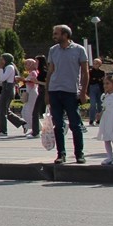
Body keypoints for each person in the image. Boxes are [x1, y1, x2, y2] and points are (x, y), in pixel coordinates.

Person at [47, 25, 90, 164]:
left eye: (56, 33)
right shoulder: (53, 50)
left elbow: (85, 72)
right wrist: (47, 92)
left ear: (65, 35)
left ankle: (79, 154)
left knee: (75, 124)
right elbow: (50, 71)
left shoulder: (79, 50)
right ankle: (61, 154)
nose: (54, 36)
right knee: (57, 124)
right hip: (55, 90)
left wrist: (83, 92)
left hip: (71, 91)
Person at [0, 53, 21, 135]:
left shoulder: (9, 67)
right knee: (5, 110)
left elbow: (2, 78)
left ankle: (3, 130)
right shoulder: (6, 67)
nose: (1, 61)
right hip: (5, 89)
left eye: (2, 59)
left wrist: (1, 69)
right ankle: (21, 122)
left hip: (8, 90)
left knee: (1, 110)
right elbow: (1, 78)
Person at [19, 58, 41, 137]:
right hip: (30, 92)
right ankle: (35, 127)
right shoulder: (30, 72)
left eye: (27, 64)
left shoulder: (33, 73)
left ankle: (35, 128)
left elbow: (33, 82)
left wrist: (23, 80)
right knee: (26, 111)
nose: (25, 66)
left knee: (29, 111)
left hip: (32, 93)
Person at [30, 55, 49, 137]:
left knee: (35, 112)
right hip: (41, 91)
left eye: (37, 62)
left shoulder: (44, 72)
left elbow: (48, 84)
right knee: (41, 112)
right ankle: (35, 131)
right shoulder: (39, 72)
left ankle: (36, 132)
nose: (35, 63)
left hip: (44, 92)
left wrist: (37, 82)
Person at [88, 57, 106, 127]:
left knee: (100, 104)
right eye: (94, 63)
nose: (95, 65)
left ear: (100, 64)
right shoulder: (90, 71)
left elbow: (102, 80)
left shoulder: (102, 72)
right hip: (92, 88)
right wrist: (97, 79)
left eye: (97, 63)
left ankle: (99, 119)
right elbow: (91, 80)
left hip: (100, 88)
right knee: (92, 104)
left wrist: (97, 79)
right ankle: (91, 119)